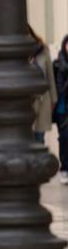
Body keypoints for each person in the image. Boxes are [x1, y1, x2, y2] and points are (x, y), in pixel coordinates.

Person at [28, 27, 57, 143]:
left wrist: (53, 101)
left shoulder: (43, 50)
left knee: (39, 141)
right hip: (25, 106)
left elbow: (50, 78)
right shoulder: (16, 54)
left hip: (42, 103)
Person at [53, 35, 68, 185]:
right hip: (62, 109)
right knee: (64, 138)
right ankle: (64, 168)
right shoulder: (57, 65)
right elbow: (58, 89)